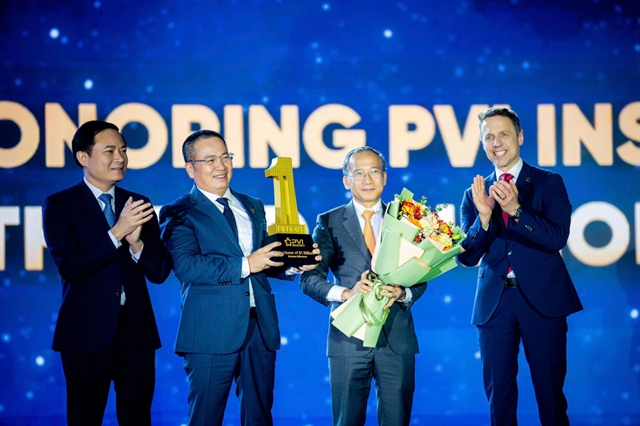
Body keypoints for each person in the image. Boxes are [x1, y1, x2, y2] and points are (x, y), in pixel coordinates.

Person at [159, 130, 319, 426]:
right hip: (210, 331)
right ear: (190, 168)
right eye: (210, 160)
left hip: (259, 327)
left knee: (259, 417)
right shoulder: (179, 211)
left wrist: (294, 265)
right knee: (206, 418)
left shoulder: (252, 204)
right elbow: (187, 267)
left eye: (226, 157)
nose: (221, 165)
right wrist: (246, 263)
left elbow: (263, 261)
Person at [458, 107, 583, 426]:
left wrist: (515, 209)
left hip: (542, 301)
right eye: (489, 137)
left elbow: (557, 237)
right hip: (494, 305)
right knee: (499, 400)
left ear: (520, 137)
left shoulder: (548, 182)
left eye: (504, 134)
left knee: (550, 396)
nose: (496, 143)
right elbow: (467, 256)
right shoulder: (475, 193)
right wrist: (484, 218)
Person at [42, 120, 173, 426]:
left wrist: (137, 243)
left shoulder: (138, 203)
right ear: (83, 157)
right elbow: (71, 267)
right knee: (84, 418)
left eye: (124, 150)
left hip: (136, 331)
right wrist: (117, 233)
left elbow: (160, 272)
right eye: (110, 150)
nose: (120, 158)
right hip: (86, 333)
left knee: (138, 418)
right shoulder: (60, 205)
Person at [299, 146, 427, 426]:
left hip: (396, 340)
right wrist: (346, 293)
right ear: (346, 181)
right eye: (359, 173)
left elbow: (422, 274)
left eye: (374, 172)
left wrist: (403, 292)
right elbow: (309, 279)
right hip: (349, 338)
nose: (367, 180)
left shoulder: (406, 220)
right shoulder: (329, 222)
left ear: (385, 177)